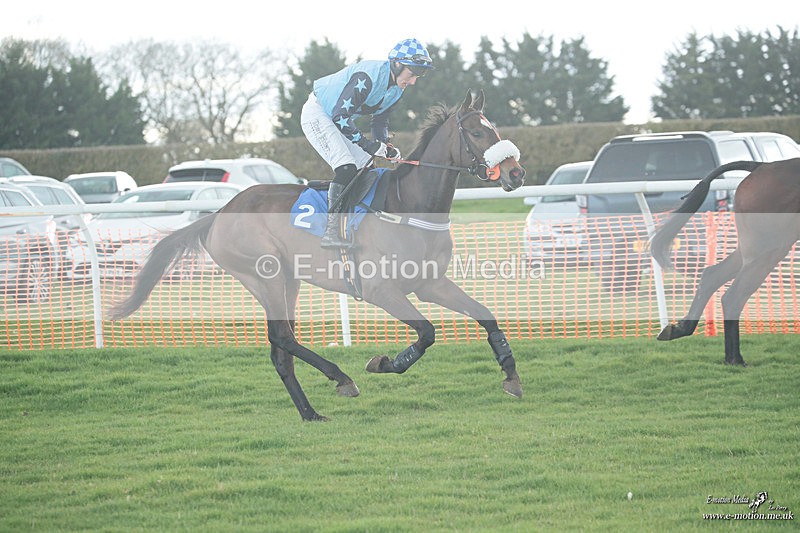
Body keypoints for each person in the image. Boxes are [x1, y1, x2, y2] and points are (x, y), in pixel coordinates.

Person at [301, 38, 435, 248]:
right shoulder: (368, 76)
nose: (413, 81)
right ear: (397, 64)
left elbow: (380, 120)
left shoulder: (397, 89)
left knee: (368, 167)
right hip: (318, 114)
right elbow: (340, 116)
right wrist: (370, 146)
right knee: (346, 168)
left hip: (338, 117)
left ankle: (357, 223)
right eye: (411, 74)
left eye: (418, 76)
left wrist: (383, 146)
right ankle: (331, 232)